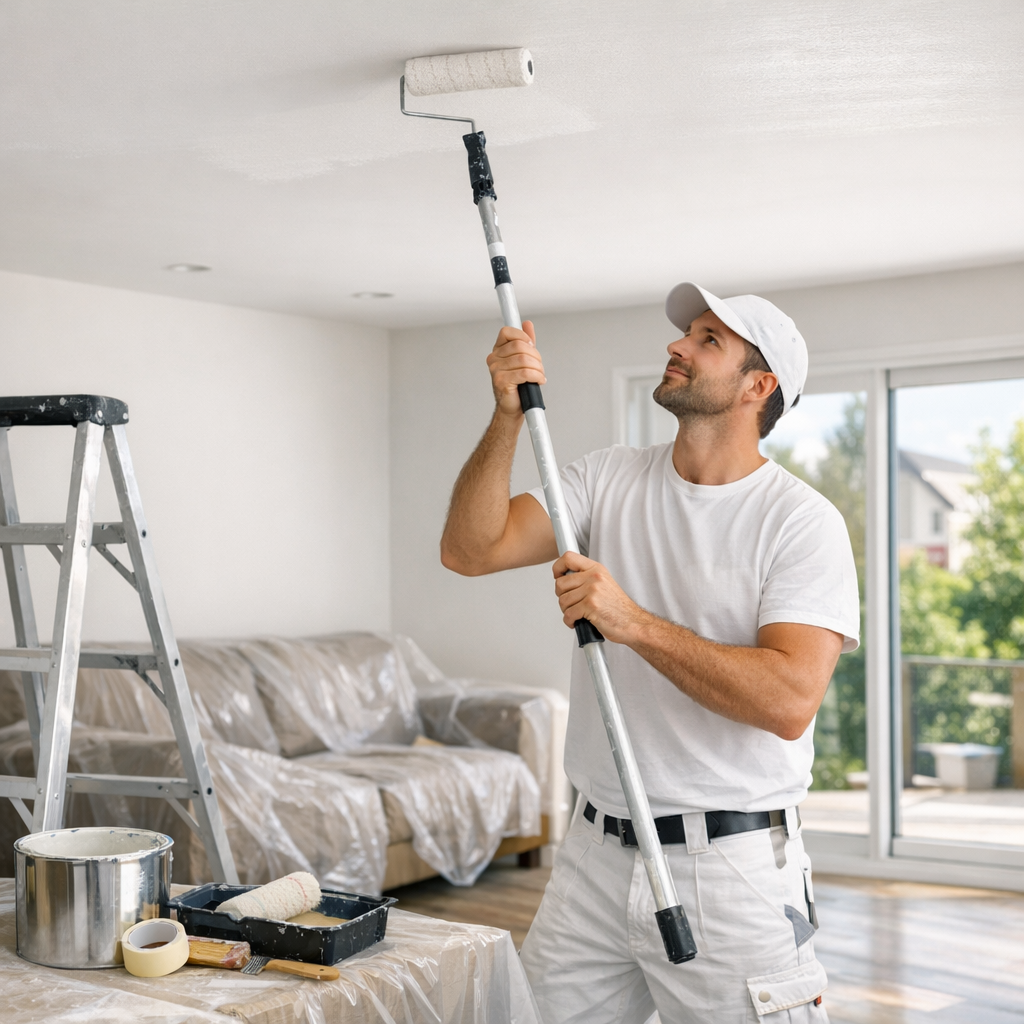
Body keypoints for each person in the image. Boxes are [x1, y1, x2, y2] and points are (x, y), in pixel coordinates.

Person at [440, 282, 859, 1024]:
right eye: (687, 333)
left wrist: (631, 622)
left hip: (730, 870)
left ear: (756, 388)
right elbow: (470, 550)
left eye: (708, 341)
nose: (677, 346)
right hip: (595, 854)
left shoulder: (799, 523)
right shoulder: (607, 479)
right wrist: (506, 417)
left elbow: (789, 701)